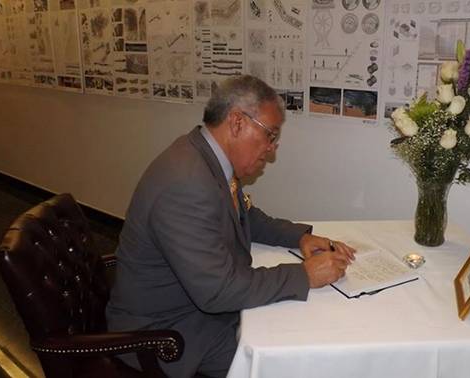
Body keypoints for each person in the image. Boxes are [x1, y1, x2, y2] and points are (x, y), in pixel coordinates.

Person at [106, 75, 355, 378]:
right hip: (169, 332)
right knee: (292, 363)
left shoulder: (204, 156)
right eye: (270, 135)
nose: (272, 149)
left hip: (192, 311)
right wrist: (304, 274)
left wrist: (299, 236)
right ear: (237, 122)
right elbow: (218, 291)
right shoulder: (186, 183)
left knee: (300, 330)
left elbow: (245, 216)